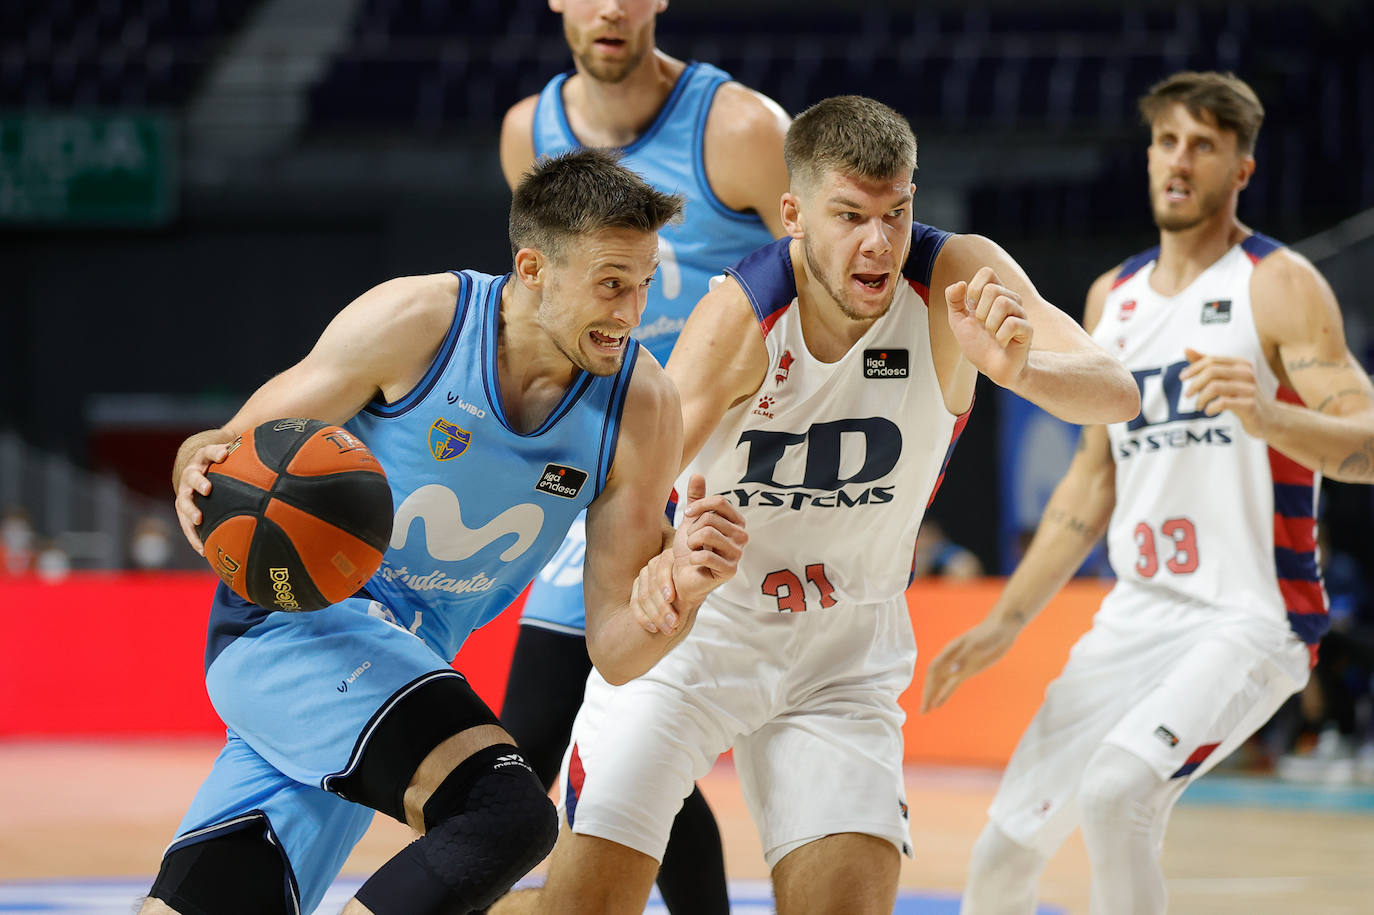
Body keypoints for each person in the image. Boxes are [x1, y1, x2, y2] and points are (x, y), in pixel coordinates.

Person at [491, 95, 1138, 915]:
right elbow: (635, 482)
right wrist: (661, 562)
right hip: (705, 636)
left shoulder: (956, 278)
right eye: (850, 216)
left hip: (844, 652)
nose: (879, 243)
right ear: (793, 215)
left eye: (895, 213)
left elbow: (1116, 390)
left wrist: (1022, 371)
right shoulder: (743, 315)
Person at [140, 149, 748, 915]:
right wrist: (193, 467)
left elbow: (615, 650)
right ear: (533, 268)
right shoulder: (418, 322)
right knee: (504, 812)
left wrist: (681, 593)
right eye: (611, 284)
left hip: (394, 671)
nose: (632, 313)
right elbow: (225, 449)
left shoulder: (642, 408)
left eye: (645, 283)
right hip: (294, 625)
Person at [922, 71, 1374, 915]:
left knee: (1116, 794)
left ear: (1242, 168)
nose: (1180, 159)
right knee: (1006, 846)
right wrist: (1004, 621)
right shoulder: (1112, 298)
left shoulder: (1277, 283)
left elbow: (1369, 446)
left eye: (1204, 145)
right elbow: (1091, 481)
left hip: (1250, 615)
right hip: (1136, 614)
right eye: (1167, 140)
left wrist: (1270, 413)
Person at [497, 1, 790, 910]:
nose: (611, 8)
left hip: (715, 478)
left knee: (600, 740)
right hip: (607, 471)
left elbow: (835, 279)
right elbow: (539, 301)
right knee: (567, 744)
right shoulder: (527, 133)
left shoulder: (740, 129)